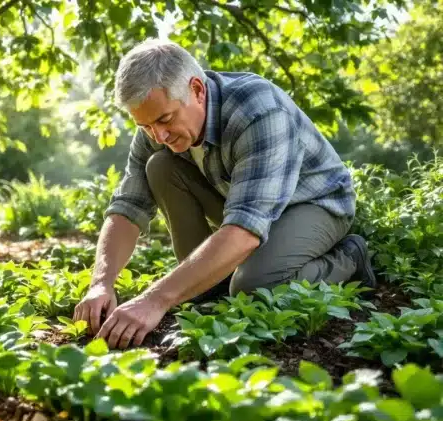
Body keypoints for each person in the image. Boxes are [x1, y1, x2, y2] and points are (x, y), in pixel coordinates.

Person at [72, 39, 376, 350]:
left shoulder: (258, 111)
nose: (158, 135)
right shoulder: (156, 122)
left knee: (253, 288)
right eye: (146, 126)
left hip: (313, 203)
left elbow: (244, 231)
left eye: (165, 120)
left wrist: (155, 300)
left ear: (197, 90)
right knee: (160, 166)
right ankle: (212, 281)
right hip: (244, 203)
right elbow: (128, 206)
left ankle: (349, 257)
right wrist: (101, 283)